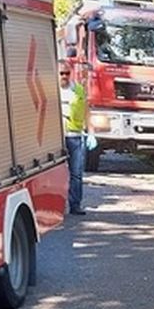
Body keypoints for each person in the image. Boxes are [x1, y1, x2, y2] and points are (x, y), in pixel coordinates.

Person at [60, 66, 88, 215]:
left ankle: (75, 205)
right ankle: (56, 205)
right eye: (61, 73)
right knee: (56, 173)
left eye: (66, 73)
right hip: (56, 137)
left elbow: (86, 108)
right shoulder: (52, 89)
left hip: (75, 135)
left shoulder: (77, 89)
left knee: (76, 173)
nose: (64, 76)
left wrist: (90, 131)